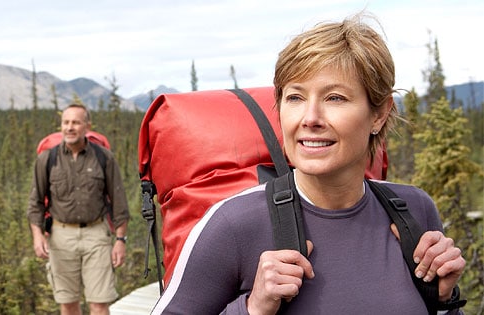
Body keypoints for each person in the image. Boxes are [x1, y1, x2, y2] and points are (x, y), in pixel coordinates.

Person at [152, 13, 466, 314]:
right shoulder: (234, 224)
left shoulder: (413, 210)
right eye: (295, 98)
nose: (310, 118)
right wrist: (253, 308)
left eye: (335, 98)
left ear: (379, 114)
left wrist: (442, 300)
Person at [27, 103, 130, 315]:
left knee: (100, 303)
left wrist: (120, 240)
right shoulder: (47, 159)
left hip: (96, 235)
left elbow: (119, 202)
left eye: (76, 122)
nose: (70, 127)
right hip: (60, 235)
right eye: (66, 122)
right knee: (67, 302)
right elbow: (36, 202)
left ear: (87, 127)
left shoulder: (104, 158)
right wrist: (38, 236)